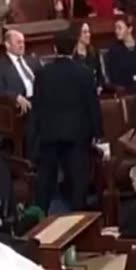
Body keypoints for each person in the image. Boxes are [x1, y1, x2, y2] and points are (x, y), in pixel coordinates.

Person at [33, 29, 103, 213]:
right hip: (77, 136)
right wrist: (97, 133)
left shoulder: (42, 73)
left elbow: (37, 108)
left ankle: (39, 221)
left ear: (55, 48)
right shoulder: (85, 73)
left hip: (49, 136)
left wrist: (34, 138)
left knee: (45, 183)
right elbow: (92, 106)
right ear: (73, 48)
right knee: (78, 183)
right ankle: (78, 221)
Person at [0, 30, 41, 159]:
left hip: (39, 100)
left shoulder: (32, 60)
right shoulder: (1, 65)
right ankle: (31, 165)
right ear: (7, 45)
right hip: (16, 108)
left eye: (23, 42)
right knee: (33, 120)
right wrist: (15, 97)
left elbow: (45, 80)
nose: (22, 45)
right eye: (18, 42)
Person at [105, 17, 136, 91]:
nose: (116, 31)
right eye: (115, 28)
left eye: (119, 28)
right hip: (125, 90)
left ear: (130, 29)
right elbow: (115, 77)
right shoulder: (114, 51)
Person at [70, 22, 104, 90]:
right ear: (78, 35)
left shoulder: (94, 52)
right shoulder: (71, 55)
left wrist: (100, 86)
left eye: (89, 32)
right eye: (85, 32)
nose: (88, 34)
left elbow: (99, 75)